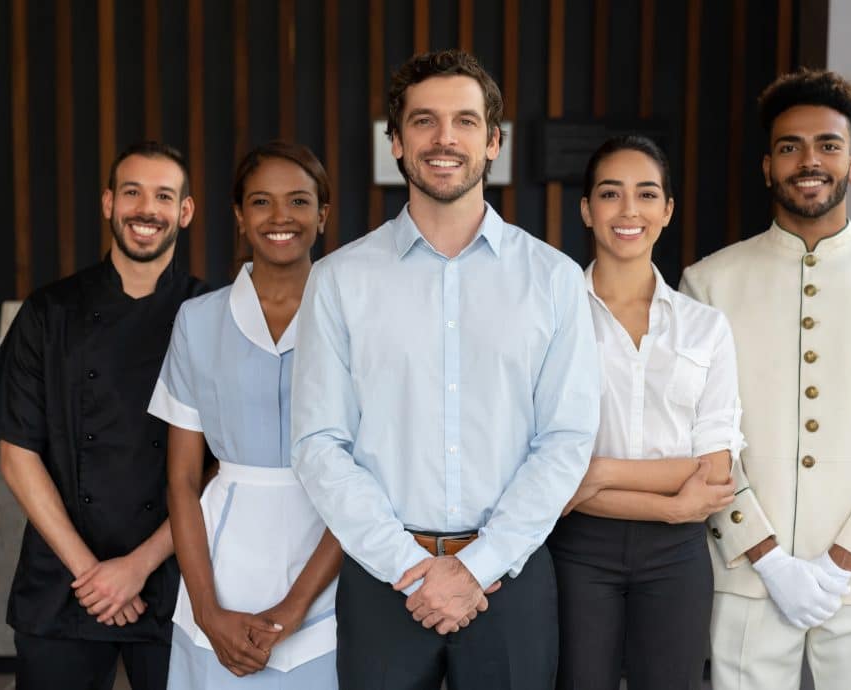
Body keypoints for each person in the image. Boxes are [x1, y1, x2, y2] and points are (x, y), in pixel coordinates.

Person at [290, 49, 600, 689]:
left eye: (464, 121)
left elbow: (566, 440)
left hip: (510, 578)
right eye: (424, 121)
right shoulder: (339, 280)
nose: (444, 139)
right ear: (396, 142)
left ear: (493, 142)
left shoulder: (554, 280)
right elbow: (319, 442)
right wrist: (409, 567)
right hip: (383, 577)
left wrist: (477, 566)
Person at [681, 69, 851, 690]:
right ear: (766, 167)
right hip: (747, 576)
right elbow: (702, 431)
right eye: (789, 146)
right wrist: (766, 556)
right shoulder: (708, 283)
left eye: (828, 145)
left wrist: (841, 563)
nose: (810, 160)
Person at [0, 141, 208, 689]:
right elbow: (17, 454)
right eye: (132, 192)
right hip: (63, 581)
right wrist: (92, 575)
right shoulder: (49, 313)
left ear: (185, 212)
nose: (146, 209)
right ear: (108, 203)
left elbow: (219, 469)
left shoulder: (210, 316)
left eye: (163, 196)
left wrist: (137, 567)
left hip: (174, 578)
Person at [550, 134, 741, 690]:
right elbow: (547, 477)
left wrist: (599, 471)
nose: (629, 210)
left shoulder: (705, 327)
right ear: (587, 210)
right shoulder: (554, 321)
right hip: (576, 548)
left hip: (676, 558)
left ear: (667, 210)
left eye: (647, 194)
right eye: (610, 194)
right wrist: (672, 506)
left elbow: (715, 470)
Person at [148, 141, 340, 688]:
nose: (281, 217)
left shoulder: (353, 319)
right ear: (239, 216)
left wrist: (297, 604)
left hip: (329, 553)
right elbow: (182, 480)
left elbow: (366, 478)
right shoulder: (198, 321)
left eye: (299, 202)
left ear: (322, 215)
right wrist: (207, 610)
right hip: (219, 560)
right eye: (261, 202)